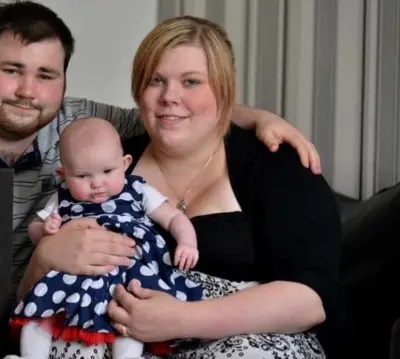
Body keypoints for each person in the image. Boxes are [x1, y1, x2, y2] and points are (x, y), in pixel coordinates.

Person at [0, 0, 323, 356]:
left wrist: (254, 118)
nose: (28, 90)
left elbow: (179, 113)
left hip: (45, 323)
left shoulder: (92, 129)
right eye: (11, 70)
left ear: (64, 81)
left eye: (46, 75)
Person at [21, 14, 342, 359]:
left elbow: (311, 299)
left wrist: (183, 318)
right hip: (116, 339)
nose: (169, 96)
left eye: (191, 82)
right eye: (156, 80)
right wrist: (44, 256)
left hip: (246, 340)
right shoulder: (102, 164)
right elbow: (30, 298)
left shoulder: (278, 165)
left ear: (223, 89)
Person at [8, 117, 201, 359]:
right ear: (63, 175)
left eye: (107, 171)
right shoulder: (63, 199)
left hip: (130, 271)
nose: (97, 183)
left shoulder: (138, 190)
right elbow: (34, 230)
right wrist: (46, 230)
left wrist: (187, 242)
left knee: (129, 312)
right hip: (74, 274)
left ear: (125, 164)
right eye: (82, 176)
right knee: (41, 310)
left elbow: (174, 218)